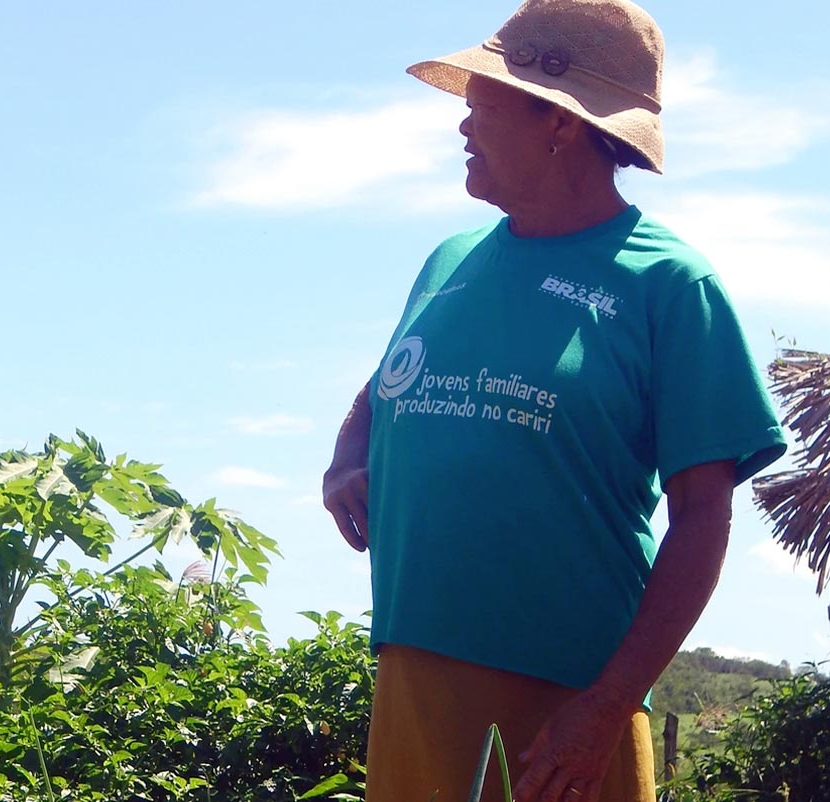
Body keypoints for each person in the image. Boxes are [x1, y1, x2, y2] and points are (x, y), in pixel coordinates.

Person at [321, 1, 788, 801]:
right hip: (413, 683)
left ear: (560, 124)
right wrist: (346, 454)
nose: (462, 128)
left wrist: (605, 707)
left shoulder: (669, 285)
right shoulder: (450, 260)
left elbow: (704, 518)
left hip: (563, 717)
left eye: (480, 107)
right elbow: (392, 373)